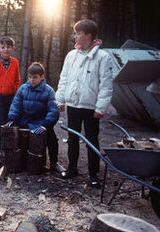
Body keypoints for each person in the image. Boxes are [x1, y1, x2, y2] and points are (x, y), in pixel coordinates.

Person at [55, 19, 113, 188]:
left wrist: (101, 107)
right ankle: (72, 168)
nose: (75, 36)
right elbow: (64, 79)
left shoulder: (103, 58)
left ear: (88, 35)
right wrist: (60, 99)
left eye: (78, 33)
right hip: (73, 104)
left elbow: (106, 85)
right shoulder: (71, 56)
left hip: (91, 107)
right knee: (72, 138)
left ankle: (93, 174)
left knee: (91, 140)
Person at [6, 62, 64, 173]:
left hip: (41, 121)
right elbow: (16, 105)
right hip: (25, 120)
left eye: (35, 77)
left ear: (42, 77)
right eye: (30, 77)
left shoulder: (49, 91)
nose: (32, 80)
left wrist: (45, 125)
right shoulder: (23, 89)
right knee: (12, 135)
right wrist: (12, 119)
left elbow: (53, 111)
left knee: (52, 138)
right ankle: (17, 162)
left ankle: (54, 163)